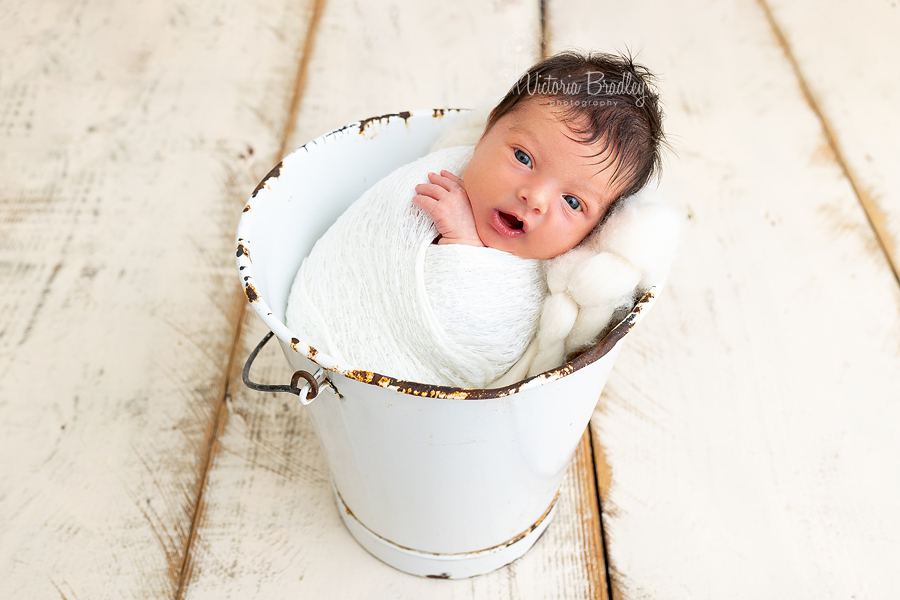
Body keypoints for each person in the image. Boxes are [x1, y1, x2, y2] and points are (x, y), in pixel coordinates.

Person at [413, 50, 664, 260]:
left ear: (596, 231)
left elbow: (474, 316)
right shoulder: (436, 177)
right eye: (523, 158)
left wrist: (463, 245)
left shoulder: (555, 283)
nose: (535, 199)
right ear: (488, 129)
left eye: (572, 202)